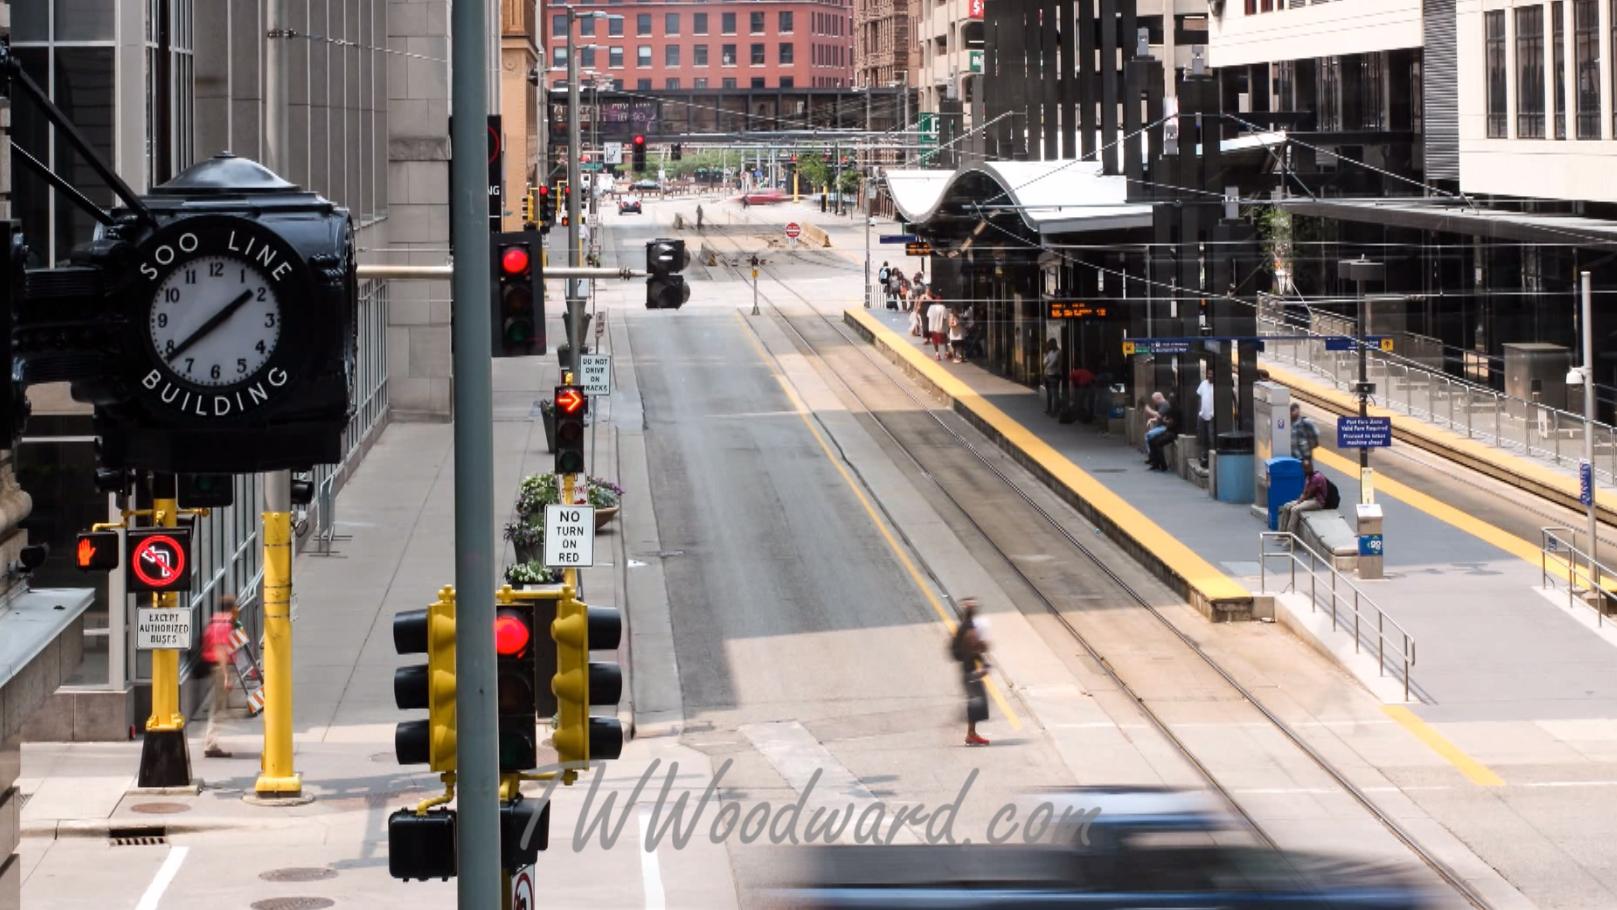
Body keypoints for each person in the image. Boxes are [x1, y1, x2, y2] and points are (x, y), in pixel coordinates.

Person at [950, 599, 991, 746]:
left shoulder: (963, 627)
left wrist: (981, 661)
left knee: (976, 699)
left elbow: (971, 650)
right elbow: (975, 647)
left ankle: (971, 732)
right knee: (976, 700)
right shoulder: (968, 629)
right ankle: (971, 734)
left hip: (968, 670)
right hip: (970, 671)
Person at [203, 600, 237, 758]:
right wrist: (226, 676)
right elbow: (220, 650)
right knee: (218, 707)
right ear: (232, 608)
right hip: (219, 668)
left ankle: (211, 742)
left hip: (213, 666)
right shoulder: (224, 624)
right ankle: (211, 744)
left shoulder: (214, 621)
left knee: (217, 705)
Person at [1278, 458, 1328, 533]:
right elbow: (1304, 492)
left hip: (1317, 501)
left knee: (1295, 509)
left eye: (1309, 468)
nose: (1308, 470)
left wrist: (1297, 503)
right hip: (1310, 499)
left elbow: (1307, 494)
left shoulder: (1316, 477)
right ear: (1303, 469)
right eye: (1306, 468)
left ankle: (1290, 535)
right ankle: (1281, 533)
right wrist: (1297, 501)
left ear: (1312, 466)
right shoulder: (1308, 477)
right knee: (1286, 506)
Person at [1146, 396, 1180, 471]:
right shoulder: (1170, 410)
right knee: (1151, 440)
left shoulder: (1177, 410)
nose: (1170, 401)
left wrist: (1165, 421)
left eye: (1171, 399)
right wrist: (1164, 420)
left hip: (1174, 432)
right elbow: (1163, 418)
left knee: (1158, 444)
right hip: (1168, 430)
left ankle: (1163, 465)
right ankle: (1155, 464)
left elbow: (1169, 422)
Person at [1196, 366, 1216, 468]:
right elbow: (1199, 397)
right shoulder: (1203, 384)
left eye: (1212, 374)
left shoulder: (1216, 386)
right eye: (1208, 374)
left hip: (1212, 415)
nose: (1210, 376)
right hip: (1203, 414)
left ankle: (1211, 456)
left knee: (1211, 436)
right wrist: (1200, 411)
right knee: (1202, 436)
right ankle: (1204, 454)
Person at [1043, 339, 1063, 415]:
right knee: (1049, 393)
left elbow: (1053, 363)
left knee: (1055, 393)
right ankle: (1049, 408)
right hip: (1048, 375)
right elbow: (1044, 362)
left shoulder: (1058, 352)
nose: (1048, 346)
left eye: (1049, 344)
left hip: (1055, 375)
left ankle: (1055, 410)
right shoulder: (1050, 352)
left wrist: (1047, 365)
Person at [926, 296, 950, 360]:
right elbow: (945, 317)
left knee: (935, 341)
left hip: (933, 327)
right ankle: (947, 353)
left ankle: (937, 354)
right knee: (945, 340)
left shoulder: (931, 307)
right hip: (941, 327)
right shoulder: (943, 308)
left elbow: (928, 315)